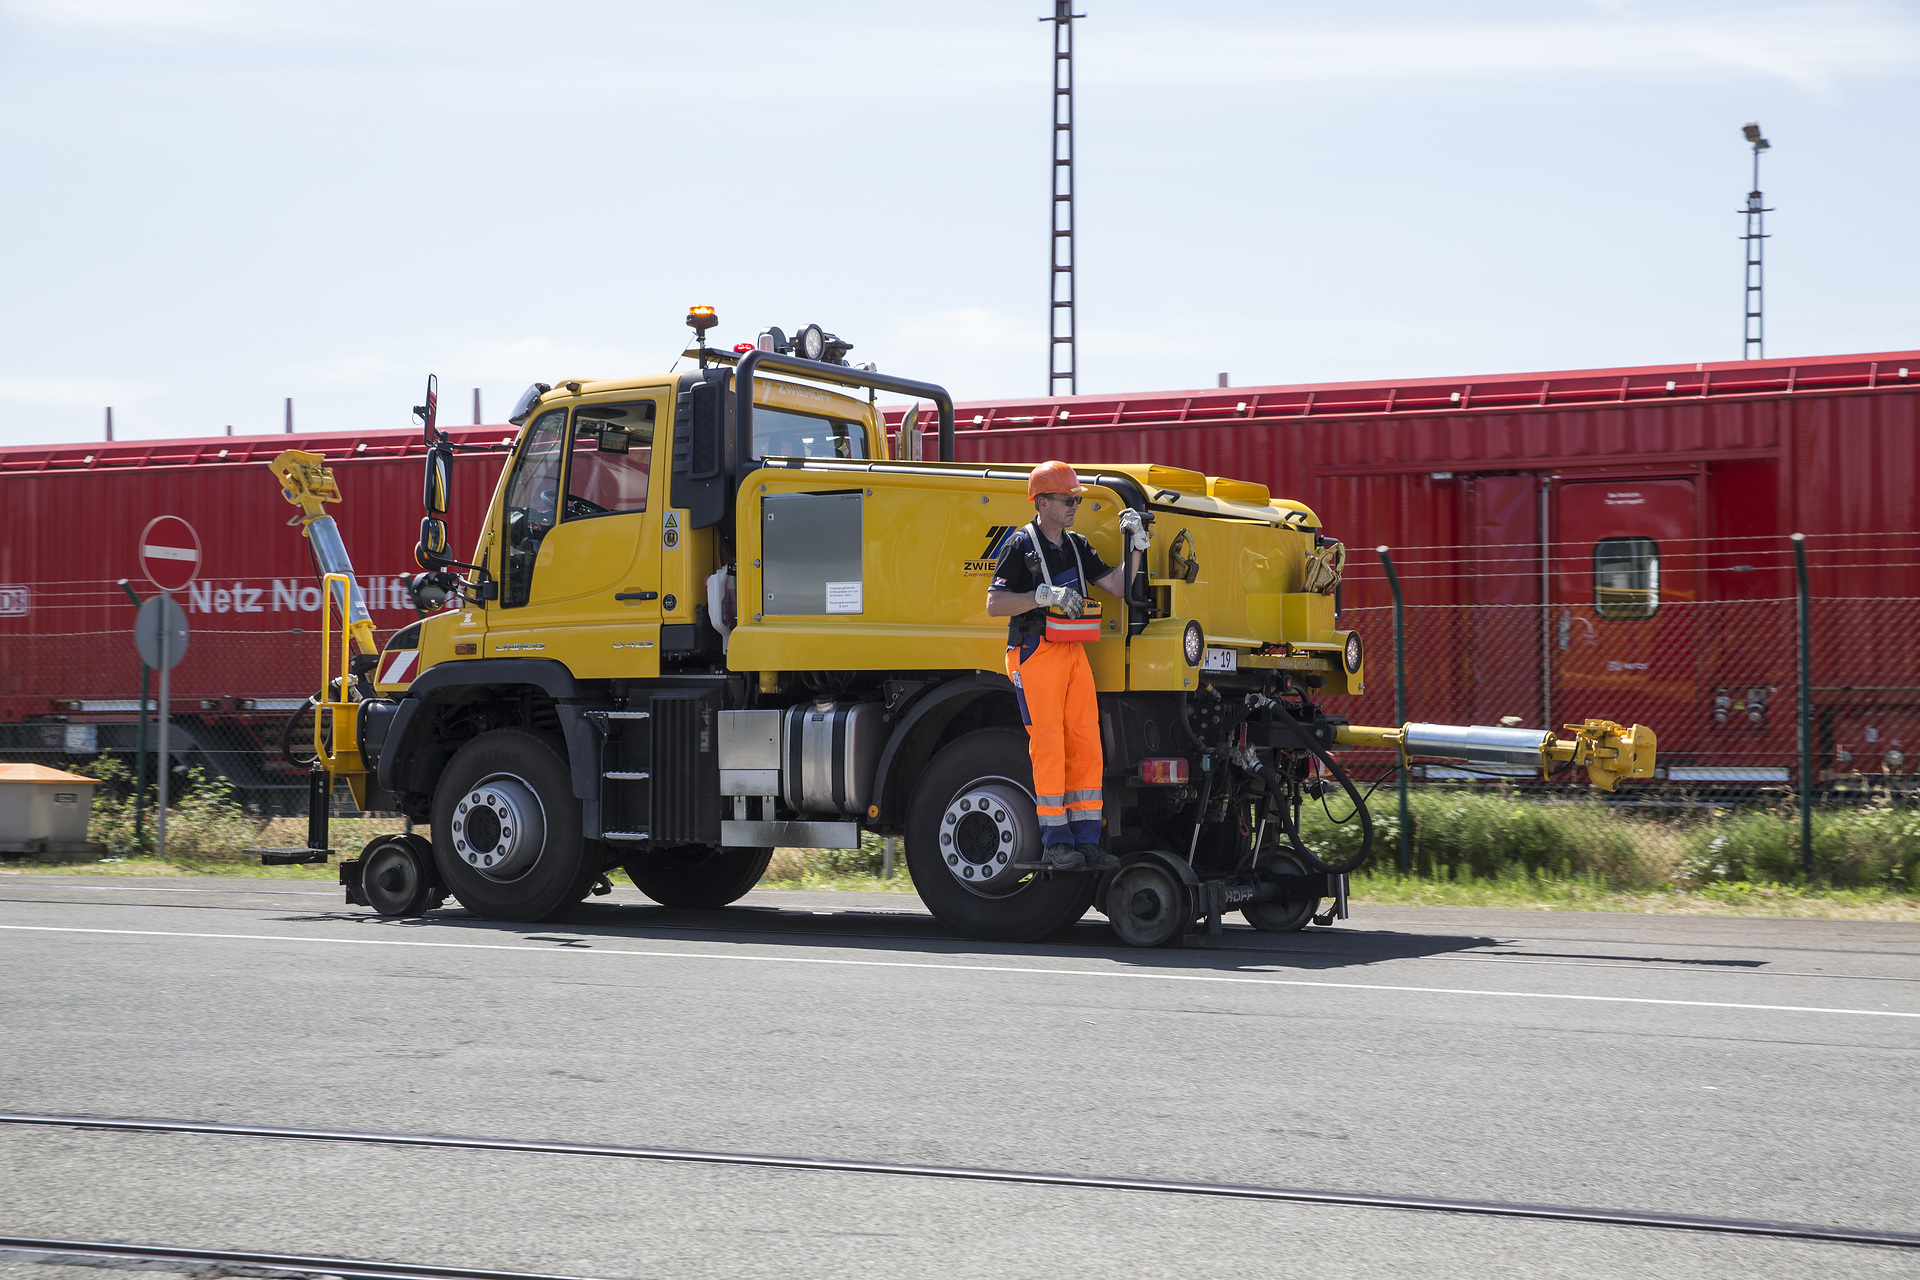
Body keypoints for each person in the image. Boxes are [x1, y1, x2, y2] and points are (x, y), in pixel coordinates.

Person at [987, 461, 1150, 871]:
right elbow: (994, 604)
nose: (1076, 503)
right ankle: (1056, 843)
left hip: (1073, 651)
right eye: (1068, 499)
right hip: (1034, 650)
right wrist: (1043, 595)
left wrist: (1136, 548)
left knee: (1085, 744)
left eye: (1077, 497)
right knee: (1050, 745)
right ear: (1042, 502)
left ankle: (1085, 840)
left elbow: (1116, 585)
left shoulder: (1076, 544)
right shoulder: (1019, 545)